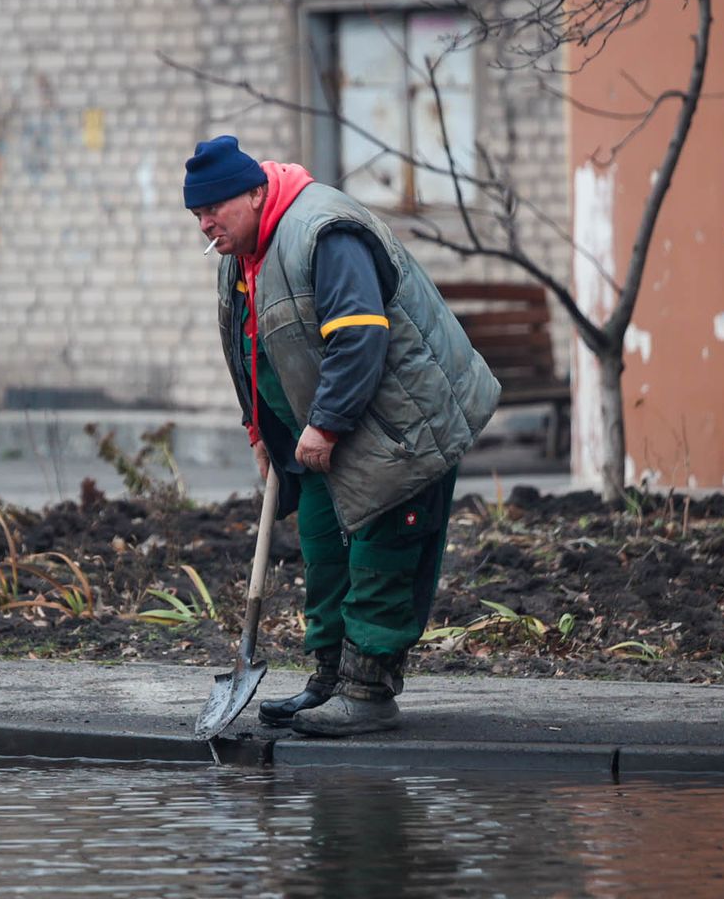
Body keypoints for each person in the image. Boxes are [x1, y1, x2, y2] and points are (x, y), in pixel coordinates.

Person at [185, 135, 499, 736]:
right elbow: (251, 351)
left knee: (384, 547)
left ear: (254, 194)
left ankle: (368, 691)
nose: (205, 224)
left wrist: (325, 424)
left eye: (214, 209)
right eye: (197, 214)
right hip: (329, 426)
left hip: (399, 421)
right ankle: (328, 679)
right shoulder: (240, 257)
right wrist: (260, 431)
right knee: (323, 542)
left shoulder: (323, 232)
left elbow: (359, 337)